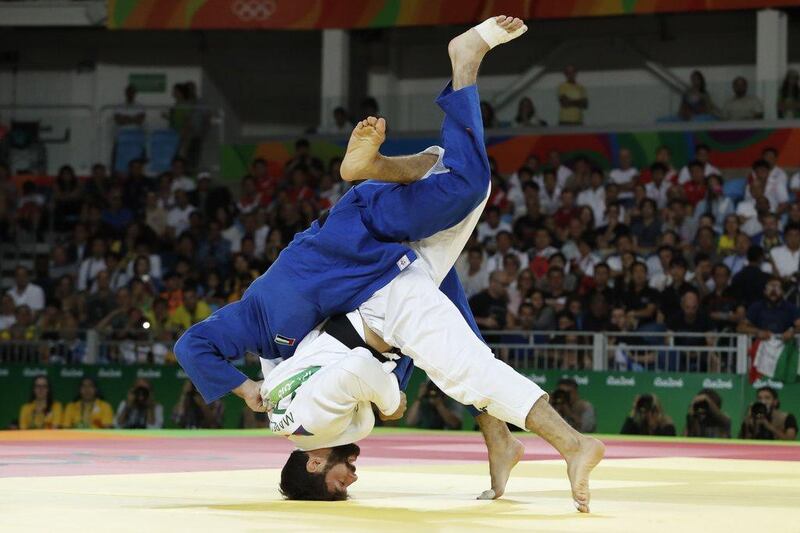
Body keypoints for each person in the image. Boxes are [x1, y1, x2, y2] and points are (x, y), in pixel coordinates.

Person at [177, 17, 603, 508]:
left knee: (468, 185)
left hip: (359, 238)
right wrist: (251, 388)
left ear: (314, 463)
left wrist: (245, 391)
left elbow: (195, 344)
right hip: (379, 274)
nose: (352, 478)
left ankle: (461, 64)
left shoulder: (265, 337)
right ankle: (498, 435)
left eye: (339, 483)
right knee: (451, 281)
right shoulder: (294, 381)